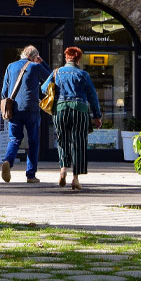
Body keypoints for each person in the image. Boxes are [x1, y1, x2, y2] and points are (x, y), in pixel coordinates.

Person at [41, 45, 101, 190]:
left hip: (60, 109)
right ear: (78, 59)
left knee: (62, 140)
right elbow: (93, 96)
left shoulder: (57, 72)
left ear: (66, 58)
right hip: (79, 109)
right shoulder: (83, 75)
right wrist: (97, 116)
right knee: (79, 142)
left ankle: (62, 169)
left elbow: (43, 88)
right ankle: (75, 179)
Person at [0, 45, 51, 183]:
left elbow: (4, 91)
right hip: (31, 108)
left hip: (14, 108)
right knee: (33, 142)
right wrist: (42, 62)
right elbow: (51, 78)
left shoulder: (11, 66)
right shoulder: (35, 67)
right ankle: (31, 175)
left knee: (14, 139)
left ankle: (8, 162)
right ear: (35, 57)